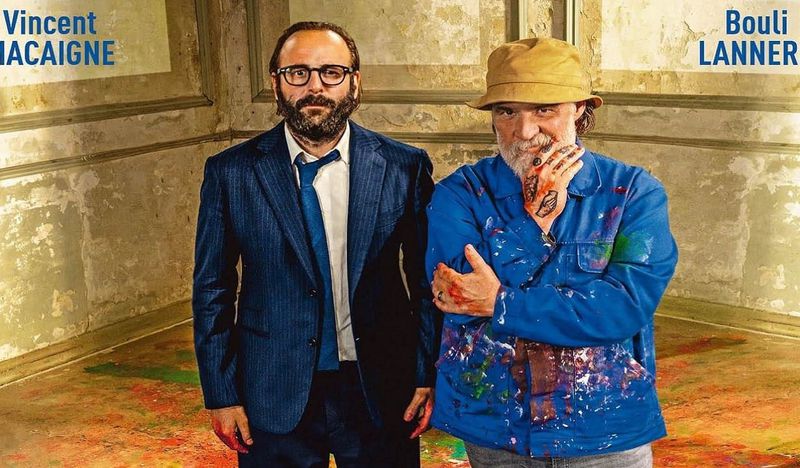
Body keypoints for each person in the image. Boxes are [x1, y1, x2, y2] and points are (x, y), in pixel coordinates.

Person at [192, 21, 440, 467]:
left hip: (380, 387)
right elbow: (212, 289)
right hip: (272, 389)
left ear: (354, 82)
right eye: (298, 73)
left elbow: (427, 282)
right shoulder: (231, 173)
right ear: (276, 83)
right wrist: (221, 393)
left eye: (331, 72)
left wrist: (426, 373)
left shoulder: (404, 167)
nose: (315, 87)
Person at [426, 37, 678, 467]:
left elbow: (622, 310)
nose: (525, 131)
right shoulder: (460, 194)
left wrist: (499, 303)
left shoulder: (634, 194)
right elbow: (457, 297)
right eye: (507, 111)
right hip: (496, 424)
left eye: (544, 110)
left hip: (603, 425)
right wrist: (536, 219)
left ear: (580, 109)